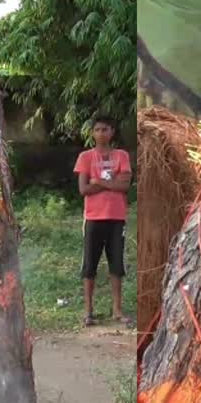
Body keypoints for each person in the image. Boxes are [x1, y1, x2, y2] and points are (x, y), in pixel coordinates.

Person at [74, 116, 132, 327]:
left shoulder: (121, 155)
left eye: (105, 129)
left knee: (117, 265)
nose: (101, 133)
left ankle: (117, 310)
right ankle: (88, 311)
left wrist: (97, 181)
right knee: (90, 265)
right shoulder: (85, 157)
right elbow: (83, 189)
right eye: (97, 129)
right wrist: (111, 183)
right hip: (93, 218)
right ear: (92, 133)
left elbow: (125, 186)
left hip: (117, 218)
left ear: (112, 132)